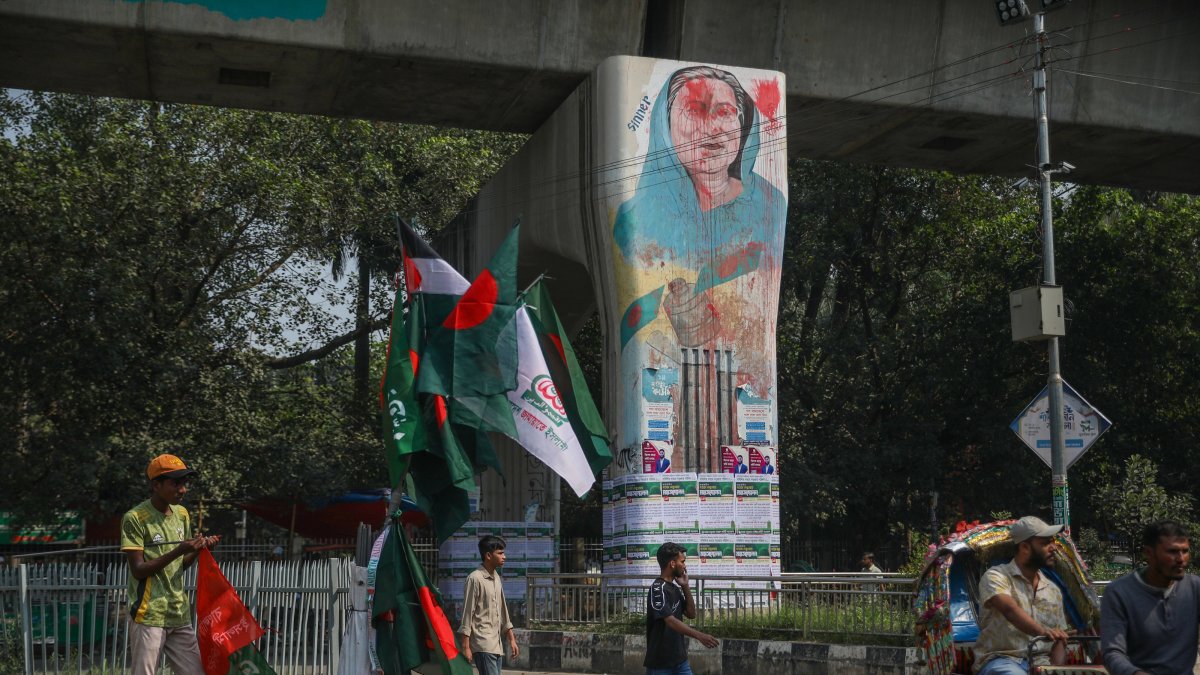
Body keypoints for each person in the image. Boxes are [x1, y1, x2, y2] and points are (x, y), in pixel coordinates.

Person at [120, 454, 219, 675]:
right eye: (176, 483)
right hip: (149, 615)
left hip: (178, 612)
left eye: (184, 483)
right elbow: (137, 570)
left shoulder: (182, 514)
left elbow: (180, 565)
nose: (182, 489)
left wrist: (197, 550)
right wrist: (178, 550)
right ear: (156, 485)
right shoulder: (135, 517)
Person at [972, 516, 1070, 674]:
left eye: (1052, 542)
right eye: (1045, 543)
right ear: (1025, 547)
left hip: (1041, 663)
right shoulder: (996, 576)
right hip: (1002, 660)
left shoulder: (1053, 590)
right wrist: (1042, 632)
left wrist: (1056, 669)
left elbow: (1059, 642)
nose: (1053, 548)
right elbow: (1009, 610)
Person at [1101, 520, 1200, 675]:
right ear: (1149, 553)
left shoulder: (1195, 588)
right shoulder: (1118, 593)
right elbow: (1112, 652)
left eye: (1185, 551)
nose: (1181, 559)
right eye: (1172, 552)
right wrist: (1135, 673)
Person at [645, 542, 719, 675]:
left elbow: (691, 614)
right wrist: (699, 636)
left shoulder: (674, 588)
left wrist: (685, 586)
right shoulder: (657, 589)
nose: (684, 566)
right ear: (672, 564)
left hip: (680, 661)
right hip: (660, 663)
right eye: (682, 561)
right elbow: (670, 620)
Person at [459, 535, 519, 675]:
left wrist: (512, 640)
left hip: (496, 645)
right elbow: (467, 614)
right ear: (488, 555)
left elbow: (503, 610)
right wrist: (465, 646)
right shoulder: (475, 578)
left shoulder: (496, 577)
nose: (504, 557)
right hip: (482, 644)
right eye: (500, 553)